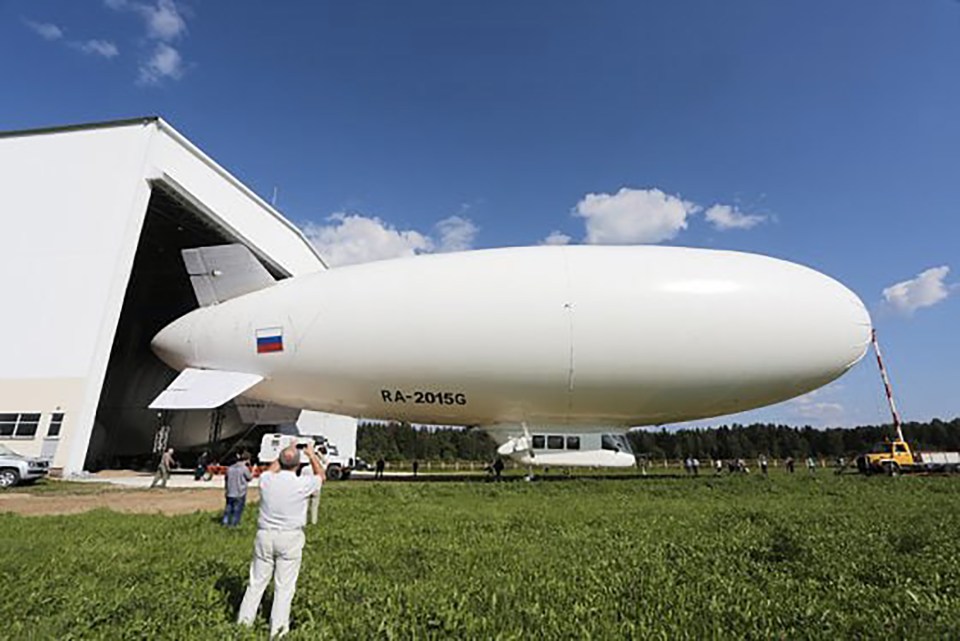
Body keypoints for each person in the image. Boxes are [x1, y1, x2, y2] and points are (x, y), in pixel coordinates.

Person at [238, 443, 325, 637]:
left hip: (265, 534)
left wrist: (288, 448)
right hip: (289, 536)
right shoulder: (302, 483)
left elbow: (271, 469)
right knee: (284, 587)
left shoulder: (267, 480)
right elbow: (321, 476)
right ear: (298, 464)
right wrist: (311, 455)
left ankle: (242, 626)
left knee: (256, 583)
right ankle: (277, 631)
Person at [222, 452, 253, 527]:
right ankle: (233, 525)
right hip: (240, 492)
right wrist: (253, 472)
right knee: (237, 511)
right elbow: (249, 478)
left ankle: (225, 523)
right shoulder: (244, 469)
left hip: (230, 492)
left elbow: (226, 479)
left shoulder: (230, 468)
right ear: (247, 460)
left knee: (228, 509)